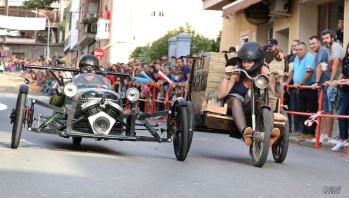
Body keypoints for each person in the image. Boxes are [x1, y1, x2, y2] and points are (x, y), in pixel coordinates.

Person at [217, 42, 279, 146]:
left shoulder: (263, 70)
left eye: (250, 62)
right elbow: (221, 95)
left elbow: (276, 93)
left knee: (266, 104)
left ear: (258, 61)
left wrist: (277, 79)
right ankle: (245, 134)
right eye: (244, 61)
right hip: (236, 106)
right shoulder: (237, 71)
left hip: (255, 105)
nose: (246, 65)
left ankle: (270, 135)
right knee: (235, 99)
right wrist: (227, 76)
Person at [283, 42, 316, 139]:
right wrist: (287, 82)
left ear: (306, 49)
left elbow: (309, 72)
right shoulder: (296, 58)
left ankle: (311, 133)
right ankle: (304, 132)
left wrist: (300, 82)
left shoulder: (309, 57)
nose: (298, 51)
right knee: (301, 110)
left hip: (309, 87)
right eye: (297, 50)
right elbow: (292, 71)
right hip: (300, 88)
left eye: (300, 49)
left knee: (310, 111)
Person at [319, 29, 345, 141]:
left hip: (341, 81)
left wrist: (330, 80)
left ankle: (342, 137)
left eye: (327, 38)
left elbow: (336, 63)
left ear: (332, 38)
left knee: (340, 110)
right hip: (337, 81)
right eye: (324, 38)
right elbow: (332, 66)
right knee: (336, 109)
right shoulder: (329, 49)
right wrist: (326, 68)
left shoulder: (335, 46)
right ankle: (340, 136)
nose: (325, 40)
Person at [309, 35, 330, 142]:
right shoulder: (318, 53)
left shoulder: (323, 51)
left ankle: (326, 135)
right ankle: (322, 134)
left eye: (313, 43)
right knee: (322, 110)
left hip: (324, 84)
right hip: (321, 86)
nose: (312, 46)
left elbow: (320, 67)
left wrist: (316, 82)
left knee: (326, 110)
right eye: (310, 44)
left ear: (319, 43)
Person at [332, 43, 349, 151]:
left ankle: (344, 139)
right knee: (342, 113)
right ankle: (342, 139)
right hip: (346, 90)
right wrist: (337, 80)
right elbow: (343, 73)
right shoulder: (346, 59)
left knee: (343, 113)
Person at [263, 38, 285, 112]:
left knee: (272, 111)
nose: (269, 48)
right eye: (268, 46)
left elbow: (286, 71)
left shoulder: (282, 57)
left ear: (276, 46)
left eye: (271, 46)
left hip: (275, 88)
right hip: (263, 86)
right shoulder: (263, 56)